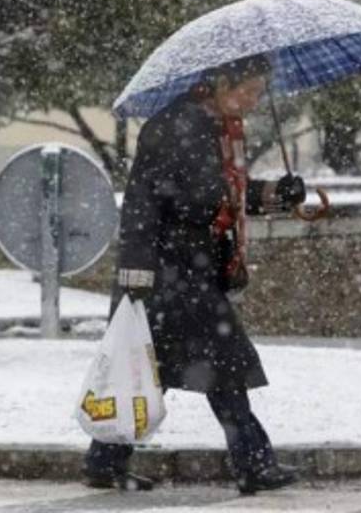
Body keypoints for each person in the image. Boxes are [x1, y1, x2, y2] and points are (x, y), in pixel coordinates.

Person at [85, 54, 306, 495]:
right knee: (218, 365)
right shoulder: (178, 125)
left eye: (260, 93)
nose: (254, 101)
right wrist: (138, 277)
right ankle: (253, 464)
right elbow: (156, 203)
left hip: (187, 271)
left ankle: (105, 459)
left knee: (159, 370)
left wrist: (278, 194)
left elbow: (226, 195)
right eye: (250, 90)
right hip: (168, 273)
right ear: (223, 82)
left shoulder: (216, 129)